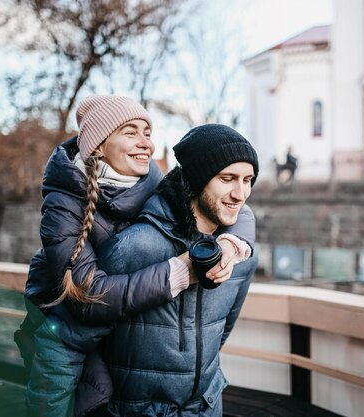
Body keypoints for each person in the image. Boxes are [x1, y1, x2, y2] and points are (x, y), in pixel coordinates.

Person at [15, 96, 255, 417]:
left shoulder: (152, 183)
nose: (147, 143)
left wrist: (233, 244)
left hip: (133, 337)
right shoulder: (65, 203)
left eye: (148, 132)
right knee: (77, 390)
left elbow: (233, 207)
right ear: (99, 145)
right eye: (131, 132)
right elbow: (86, 298)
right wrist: (179, 273)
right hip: (64, 313)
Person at [77, 124, 260, 416]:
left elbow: (221, 333)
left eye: (248, 180)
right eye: (228, 179)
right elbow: (85, 333)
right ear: (198, 180)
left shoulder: (243, 256)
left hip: (207, 407)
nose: (240, 193)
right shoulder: (134, 247)